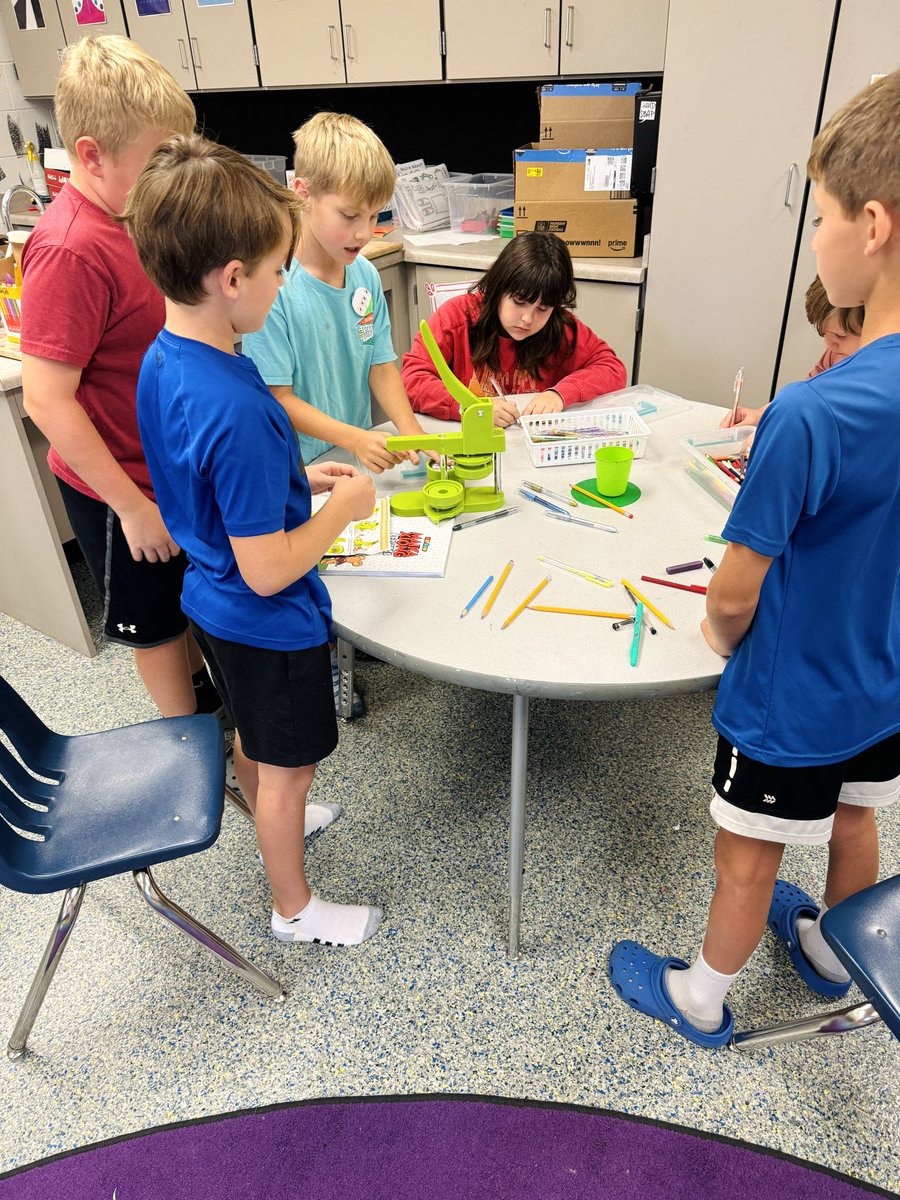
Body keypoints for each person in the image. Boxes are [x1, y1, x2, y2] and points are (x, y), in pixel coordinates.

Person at [609, 70, 900, 1046]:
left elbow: (732, 597)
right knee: (858, 821)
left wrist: (718, 631)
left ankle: (700, 997)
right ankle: (830, 950)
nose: (813, 234)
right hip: (885, 681)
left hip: (788, 694)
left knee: (749, 856)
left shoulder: (815, 412)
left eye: (819, 214)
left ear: (872, 224)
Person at [124, 133, 383, 947]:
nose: (281, 283)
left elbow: (206, 483)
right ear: (232, 279)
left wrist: (296, 484)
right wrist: (343, 511)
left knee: (250, 737)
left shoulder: (165, 361)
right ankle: (294, 908)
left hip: (209, 602)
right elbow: (269, 569)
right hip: (263, 618)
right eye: (276, 271)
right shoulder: (235, 403)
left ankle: (278, 807)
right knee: (290, 768)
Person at [19, 36, 224, 721]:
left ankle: (207, 723)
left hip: (164, 471)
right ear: (91, 155)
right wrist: (133, 507)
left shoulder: (131, 215)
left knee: (185, 603)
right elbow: (48, 399)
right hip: (118, 490)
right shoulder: (69, 246)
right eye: (156, 160)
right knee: (157, 629)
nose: (171, 176)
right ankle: (188, 752)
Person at [242, 111, 426, 474]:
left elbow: (380, 364)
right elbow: (277, 399)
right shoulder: (273, 286)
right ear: (303, 193)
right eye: (349, 216)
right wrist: (354, 438)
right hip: (299, 472)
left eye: (374, 216)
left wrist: (411, 430)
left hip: (350, 460)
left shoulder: (365, 275)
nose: (364, 233)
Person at [401, 231, 627, 427]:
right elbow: (412, 379)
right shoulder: (458, 317)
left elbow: (612, 368)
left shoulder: (560, 327)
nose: (528, 319)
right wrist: (471, 407)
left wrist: (559, 394)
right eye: (519, 302)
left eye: (543, 308)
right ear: (498, 288)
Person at [721, 276, 864, 427]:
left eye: (839, 336)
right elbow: (805, 398)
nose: (828, 346)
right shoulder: (834, 356)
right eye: (824, 334)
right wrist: (760, 415)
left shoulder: (876, 377)